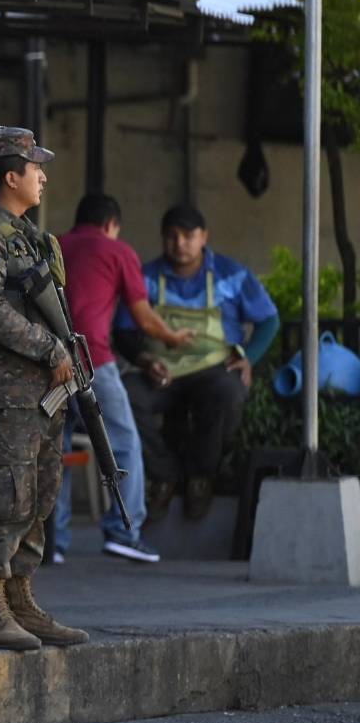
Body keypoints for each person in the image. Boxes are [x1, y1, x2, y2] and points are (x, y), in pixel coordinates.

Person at [0, 126, 85, 652]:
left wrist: (68, 356)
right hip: (3, 392)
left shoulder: (35, 238)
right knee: (2, 498)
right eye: (35, 168)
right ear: (11, 176)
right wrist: (48, 350)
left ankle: (21, 599)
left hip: (42, 393)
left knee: (39, 494)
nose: (43, 176)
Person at [51, 194, 194, 564]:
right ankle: (124, 531)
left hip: (49, 361)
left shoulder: (54, 245)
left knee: (56, 450)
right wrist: (174, 339)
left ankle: (54, 539)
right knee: (124, 443)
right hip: (92, 359)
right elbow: (144, 318)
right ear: (111, 224)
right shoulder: (117, 251)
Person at [117, 203, 279, 521]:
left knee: (228, 393)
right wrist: (145, 360)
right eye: (172, 236)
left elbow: (269, 321)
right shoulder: (144, 277)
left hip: (212, 369)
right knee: (125, 395)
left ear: (204, 237)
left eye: (189, 236)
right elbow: (122, 330)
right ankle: (163, 475)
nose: (180, 244)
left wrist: (248, 357)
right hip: (161, 373)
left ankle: (200, 478)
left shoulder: (231, 274)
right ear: (163, 238)